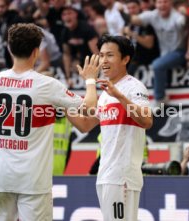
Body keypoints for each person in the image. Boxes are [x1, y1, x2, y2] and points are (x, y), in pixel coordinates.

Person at [0, 23, 100, 220]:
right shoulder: (48, 85)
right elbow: (89, 108)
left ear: (9, 49)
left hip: (1, 179)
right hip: (34, 182)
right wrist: (91, 80)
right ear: (36, 52)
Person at [67, 34, 153, 221]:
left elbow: (147, 121)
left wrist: (120, 96)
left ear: (125, 59)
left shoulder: (134, 87)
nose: (104, 60)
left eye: (110, 55)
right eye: (102, 55)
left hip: (122, 176)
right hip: (106, 174)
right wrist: (61, 103)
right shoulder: (105, 94)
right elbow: (85, 125)